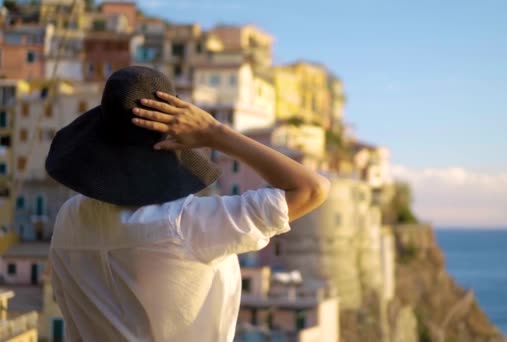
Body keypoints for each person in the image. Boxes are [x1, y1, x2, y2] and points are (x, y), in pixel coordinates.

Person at [46, 66, 330, 341]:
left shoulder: (68, 220)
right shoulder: (185, 225)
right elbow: (312, 189)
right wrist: (214, 132)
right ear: (172, 135)